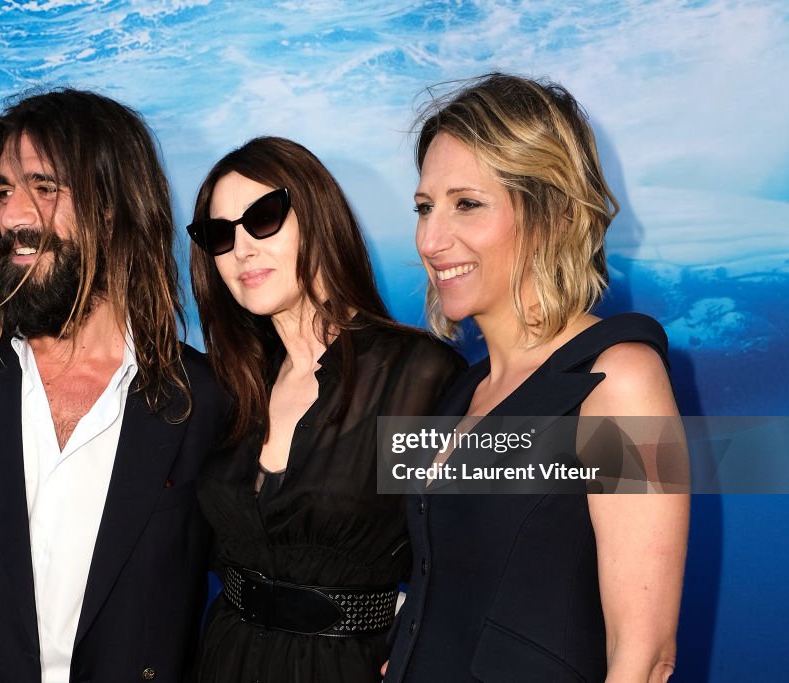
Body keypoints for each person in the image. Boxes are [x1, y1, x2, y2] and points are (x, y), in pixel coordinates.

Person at [0, 89, 228, 683]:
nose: (13, 216)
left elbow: (258, 574)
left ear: (114, 207)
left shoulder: (199, 398)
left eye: (44, 187)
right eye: (3, 191)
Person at [383, 73, 690, 682]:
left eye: (466, 204)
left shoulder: (618, 380)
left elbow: (646, 658)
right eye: (424, 208)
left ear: (548, 212)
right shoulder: (460, 392)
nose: (430, 238)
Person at [185, 136, 467, 683]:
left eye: (263, 218)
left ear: (317, 218)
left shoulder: (415, 377)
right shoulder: (234, 385)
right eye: (220, 235)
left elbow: (503, 540)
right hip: (225, 660)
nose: (241, 248)